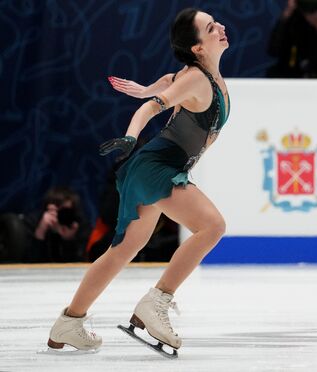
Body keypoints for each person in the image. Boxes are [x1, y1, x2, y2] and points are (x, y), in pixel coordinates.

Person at [47, 8, 230, 354]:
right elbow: (152, 108)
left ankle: (69, 322)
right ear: (198, 48)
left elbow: (166, 83)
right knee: (213, 226)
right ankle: (157, 301)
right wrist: (131, 136)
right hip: (158, 167)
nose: (220, 27)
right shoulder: (195, 79)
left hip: (156, 167)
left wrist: (146, 88)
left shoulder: (198, 77)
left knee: (124, 250)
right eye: (210, 27)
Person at [23, 186, 89, 263]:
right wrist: (40, 233)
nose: (63, 215)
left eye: (67, 211)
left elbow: (80, 266)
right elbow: (27, 264)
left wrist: (69, 240)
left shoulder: (80, 226)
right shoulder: (33, 223)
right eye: (59, 211)